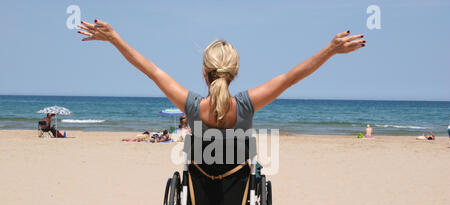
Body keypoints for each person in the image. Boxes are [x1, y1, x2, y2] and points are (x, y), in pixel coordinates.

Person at [77, 20, 364, 135]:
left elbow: (151, 70)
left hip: (200, 199)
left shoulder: (191, 106)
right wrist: (330, 50)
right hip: (237, 200)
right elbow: (290, 78)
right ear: (235, 73)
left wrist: (115, 39)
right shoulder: (246, 106)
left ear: (204, 73)